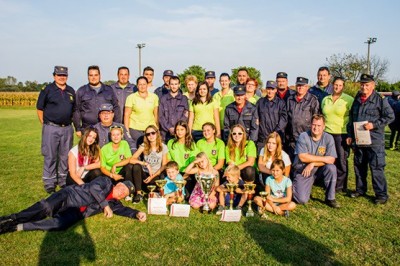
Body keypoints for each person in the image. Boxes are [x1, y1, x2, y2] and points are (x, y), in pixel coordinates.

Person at [0, 177, 146, 234]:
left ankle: (17, 227)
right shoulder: (106, 182)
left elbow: (123, 210)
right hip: (68, 196)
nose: (121, 193)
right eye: (122, 189)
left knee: (60, 225)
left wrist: (136, 213)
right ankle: (13, 218)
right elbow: (93, 188)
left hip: (76, 212)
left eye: (124, 193)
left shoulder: (115, 203)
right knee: (46, 208)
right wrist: (104, 205)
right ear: (118, 184)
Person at [347, 74, 395, 204]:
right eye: (362, 84)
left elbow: (390, 116)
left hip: (374, 141)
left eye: (367, 85)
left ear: (373, 85)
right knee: (359, 166)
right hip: (359, 139)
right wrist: (350, 135)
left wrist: (374, 125)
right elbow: (352, 118)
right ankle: (360, 189)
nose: (364, 87)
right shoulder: (357, 99)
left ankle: (381, 195)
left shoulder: (380, 99)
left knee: (376, 168)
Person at [36, 66, 76, 193]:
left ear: (67, 76)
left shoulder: (70, 91)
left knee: (65, 155)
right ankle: (49, 182)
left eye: (64, 75)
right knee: (50, 155)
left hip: (67, 128)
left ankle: (63, 180)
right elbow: (39, 108)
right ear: (54, 76)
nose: (61, 77)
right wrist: (45, 124)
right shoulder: (47, 89)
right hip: (51, 127)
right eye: (59, 75)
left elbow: (74, 110)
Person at [292, 114, 339, 208]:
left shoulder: (328, 138)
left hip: (319, 169)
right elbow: (303, 157)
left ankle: (330, 198)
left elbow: (331, 160)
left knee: (331, 168)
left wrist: (313, 163)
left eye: (319, 125)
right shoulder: (303, 136)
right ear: (310, 124)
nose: (316, 128)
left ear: (324, 126)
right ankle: (299, 185)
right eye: (314, 125)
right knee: (301, 199)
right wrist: (323, 159)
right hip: (304, 170)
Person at [114, 125, 168, 203]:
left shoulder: (163, 147)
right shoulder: (144, 145)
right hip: (143, 174)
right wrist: (145, 164)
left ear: (157, 133)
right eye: (148, 134)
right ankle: (138, 193)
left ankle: (148, 192)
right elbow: (132, 159)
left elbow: (164, 165)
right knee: (136, 166)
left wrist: (153, 175)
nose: (151, 136)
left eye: (153, 133)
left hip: (155, 175)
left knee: (156, 185)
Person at [321, 77, 354, 193]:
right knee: (328, 159)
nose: (337, 87)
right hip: (327, 133)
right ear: (332, 85)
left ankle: (340, 186)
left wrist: (350, 135)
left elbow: (353, 117)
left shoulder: (348, 100)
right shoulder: (326, 99)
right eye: (336, 85)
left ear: (343, 87)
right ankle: (328, 181)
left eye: (340, 85)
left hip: (341, 133)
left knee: (341, 160)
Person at [73, 65, 120, 137]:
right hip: (87, 128)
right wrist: (78, 128)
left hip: (106, 128)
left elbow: (116, 107)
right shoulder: (81, 91)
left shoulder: (108, 90)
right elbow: (76, 110)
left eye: (96, 75)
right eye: (91, 75)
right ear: (88, 76)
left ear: (100, 76)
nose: (93, 77)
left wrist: (116, 125)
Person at [285, 77, 319, 160]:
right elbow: (287, 117)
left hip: (306, 137)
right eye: (298, 85)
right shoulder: (290, 99)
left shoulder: (312, 100)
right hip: (292, 138)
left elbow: (316, 118)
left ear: (307, 87)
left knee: (303, 161)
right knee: (292, 162)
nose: (300, 88)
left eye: (302, 86)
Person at [124, 76, 159, 148]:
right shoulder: (131, 97)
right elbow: (126, 115)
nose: (142, 86)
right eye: (140, 84)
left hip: (150, 129)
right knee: (138, 150)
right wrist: (127, 131)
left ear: (147, 85)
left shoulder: (154, 97)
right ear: (137, 85)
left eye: (144, 84)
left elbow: (156, 114)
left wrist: (157, 128)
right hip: (135, 129)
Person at [256, 80, 287, 152]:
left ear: (276, 90)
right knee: (262, 160)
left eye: (272, 89)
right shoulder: (260, 102)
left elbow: (284, 119)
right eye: (268, 89)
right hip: (262, 138)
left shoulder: (281, 103)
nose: (270, 91)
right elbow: (256, 117)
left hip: (275, 138)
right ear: (266, 89)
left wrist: (275, 132)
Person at [167, 120, 198, 193]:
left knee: (186, 195)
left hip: (187, 173)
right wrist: (174, 174)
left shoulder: (192, 144)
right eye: (177, 130)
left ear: (186, 130)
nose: (179, 132)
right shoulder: (171, 142)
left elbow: (193, 163)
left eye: (182, 130)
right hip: (174, 172)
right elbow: (169, 160)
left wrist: (182, 178)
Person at [100, 126, 134, 191]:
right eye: (113, 135)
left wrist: (115, 165)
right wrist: (112, 175)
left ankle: (128, 190)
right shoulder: (104, 149)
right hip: (110, 174)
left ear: (122, 135)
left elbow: (128, 159)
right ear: (110, 136)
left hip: (121, 172)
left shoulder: (124, 143)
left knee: (129, 166)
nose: (116, 137)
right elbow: (102, 167)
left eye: (118, 134)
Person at [159, 75, 189, 143]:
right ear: (169, 85)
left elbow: (186, 115)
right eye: (172, 84)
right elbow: (161, 116)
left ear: (179, 85)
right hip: (165, 134)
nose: (174, 86)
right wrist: (170, 128)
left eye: (176, 84)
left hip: (180, 133)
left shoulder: (184, 99)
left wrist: (177, 128)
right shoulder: (163, 99)